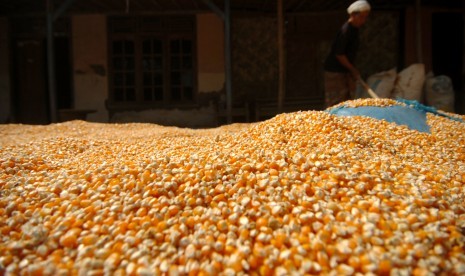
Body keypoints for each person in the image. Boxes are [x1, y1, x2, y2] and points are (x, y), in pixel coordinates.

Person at [323, 0, 371, 108]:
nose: (364, 20)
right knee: (335, 102)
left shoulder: (355, 30)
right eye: (362, 17)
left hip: (345, 70)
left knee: (348, 100)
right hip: (335, 71)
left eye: (365, 17)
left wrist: (351, 70)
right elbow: (339, 54)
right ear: (353, 15)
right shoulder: (346, 31)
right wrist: (352, 69)